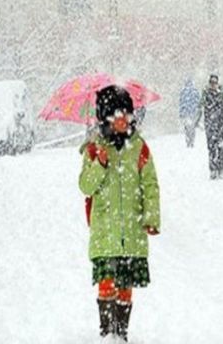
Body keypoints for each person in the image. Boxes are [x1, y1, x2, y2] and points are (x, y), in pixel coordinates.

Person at [79, 85, 161, 342]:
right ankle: (107, 332)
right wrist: (99, 164)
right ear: (105, 119)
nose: (123, 121)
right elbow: (85, 186)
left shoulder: (139, 148)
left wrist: (151, 217)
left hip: (132, 230)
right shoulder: (95, 149)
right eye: (116, 116)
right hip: (105, 230)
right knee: (106, 281)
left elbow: (150, 185)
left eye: (126, 115)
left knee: (125, 284)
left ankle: (121, 333)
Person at [195, 74, 223, 179]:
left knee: (221, 146)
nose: (213, 85)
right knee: (211, 147)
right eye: (212, 83)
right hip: (209, 123)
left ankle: (221, 168)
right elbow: (200, 106)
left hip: (220, 123)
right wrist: (197, 120)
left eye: (215, 83)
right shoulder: (205, 93)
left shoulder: (222, 92)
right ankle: (213, 169)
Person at [179, 77, 201, 148]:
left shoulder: (183, 91)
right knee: (192, 127)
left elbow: (181, 103)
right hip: (193, 112)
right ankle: (192, 140)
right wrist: (198, 110)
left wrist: (181, 113)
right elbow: (198, 102)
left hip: (186, 113)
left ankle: (188, 140)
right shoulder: (195, 91)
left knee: (187, 127)